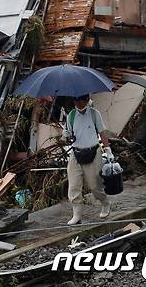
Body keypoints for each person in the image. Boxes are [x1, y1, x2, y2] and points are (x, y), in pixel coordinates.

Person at [63, 94, 114, 225]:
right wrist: (66, 136)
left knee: (94, 185)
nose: (79, 103)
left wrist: (108, 150)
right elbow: (67, 135)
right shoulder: (71, 116)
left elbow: (102, 133)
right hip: (76, 153)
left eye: (81, 100)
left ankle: (105, 203)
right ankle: (77, 214)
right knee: (74, 186)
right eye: (76, 100)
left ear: (86, 100)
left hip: (93, 152)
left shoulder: (94, 114)